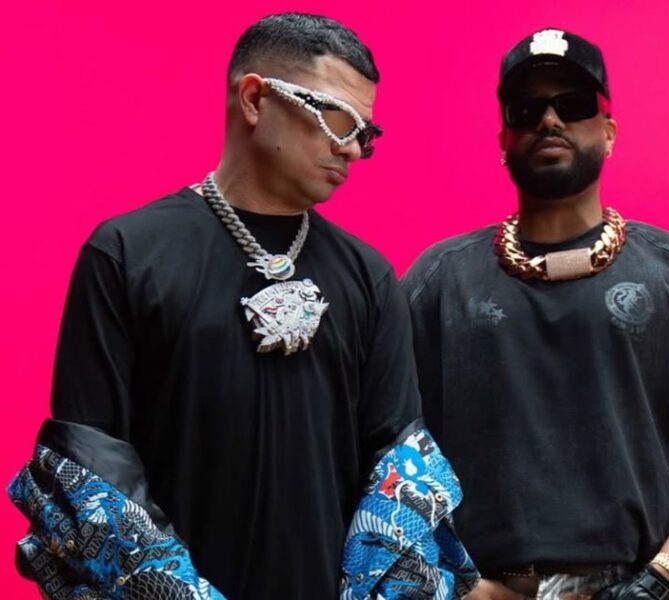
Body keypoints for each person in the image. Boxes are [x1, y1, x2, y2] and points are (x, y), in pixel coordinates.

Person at [8, 13, 478, 600]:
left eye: (366, 132)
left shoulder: (370, 277)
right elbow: (89, 472)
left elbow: (397, 478)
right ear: (255, 99)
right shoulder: (127, 254)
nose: (354, 148)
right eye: (337, 118)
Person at [402, 28, 669, 600]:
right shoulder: (439, 281)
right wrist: (451, 582)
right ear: (504, 139)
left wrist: (667, 575)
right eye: (527, 110)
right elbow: (389, 438)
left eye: (574, 105)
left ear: (608, 132)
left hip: (639, 583)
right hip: (488, 586)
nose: (550, 120)